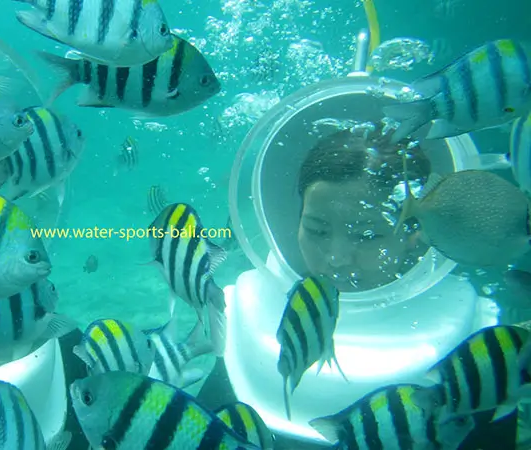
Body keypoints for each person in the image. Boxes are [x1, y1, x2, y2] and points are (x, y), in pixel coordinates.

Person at [197, 122, 514, 448]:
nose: (335, 258)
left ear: (416, 236)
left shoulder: (466, 328)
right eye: (317, 230)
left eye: (366, 235)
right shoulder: (253, 310)